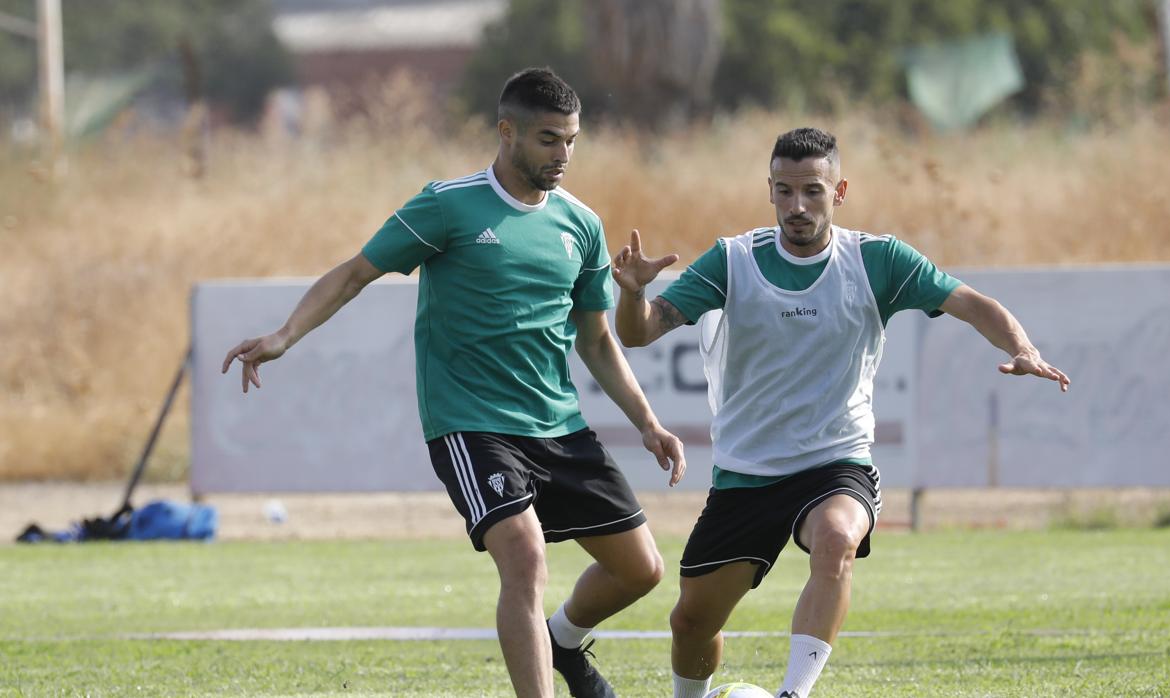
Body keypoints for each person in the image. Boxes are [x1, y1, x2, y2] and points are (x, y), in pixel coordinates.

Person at [222, 67, 686, 698]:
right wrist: (283, 336)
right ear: (507, 132)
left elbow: (598, 339)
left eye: (572, 140)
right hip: (470, 423)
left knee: (642, 570)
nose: (563, 154)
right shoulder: (448, 204)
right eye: (549, 139)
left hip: (559, 425)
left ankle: (563, 642)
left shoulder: (581, 224)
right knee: (524, 557)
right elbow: (356, 272)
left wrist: (649, 423)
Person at [611, 127, 1070, 698]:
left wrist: (1022, 349)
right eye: (784, 192)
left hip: (836, 461)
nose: (797, 207)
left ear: (840, 190)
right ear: (770, 190)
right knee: (692, 624)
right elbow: (640, 334)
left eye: (812, 191)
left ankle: (792, 695)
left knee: (836, 540)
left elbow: (970, 303)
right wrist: (631, 295)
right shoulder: (734, 260)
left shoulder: (877, 260)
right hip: (747, 471)